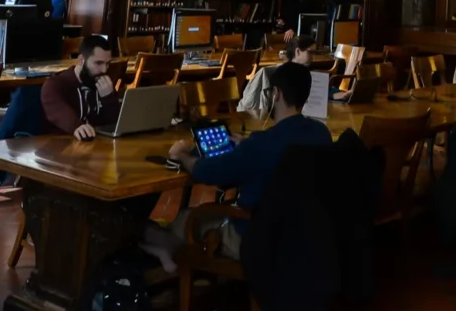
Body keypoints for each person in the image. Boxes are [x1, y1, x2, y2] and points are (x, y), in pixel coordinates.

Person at [142, 61, 332, 271]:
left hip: (257, 238)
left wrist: (182, 155)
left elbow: (208, 172)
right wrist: (247, 147)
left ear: (276, 94)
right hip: (303, 236)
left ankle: (161, 259)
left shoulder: (261, 144)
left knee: (183, 219)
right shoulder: (321, 133)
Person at [41, 34, 121, 140]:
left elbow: (114, 123)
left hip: (98, 143)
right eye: (98, 63)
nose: (104, 70)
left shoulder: (102, 82)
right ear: (81, 60)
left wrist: (108, 98)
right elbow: (60, 114)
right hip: (63, 144)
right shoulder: (56, 85)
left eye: (107, 64)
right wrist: (76, 126)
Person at [237, 34, 316, 112]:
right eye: (310, 52)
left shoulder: (305, 74)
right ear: (297, 51)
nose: (313, 57)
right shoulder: (276, 74)